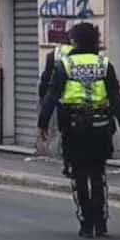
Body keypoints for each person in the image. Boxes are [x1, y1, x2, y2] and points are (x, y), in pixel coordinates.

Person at [37, 22, 120, 238]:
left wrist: (42, 124)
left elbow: (51, 96)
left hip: (74, 127)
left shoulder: (65, 65)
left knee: (79, 174)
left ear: (75, 41)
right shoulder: (104, 64)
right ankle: (100, 221)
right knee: (98, 174)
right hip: (100, 126)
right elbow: (116, 99)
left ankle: (86, 223)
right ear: (96, 41)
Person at [39, 41, 75, 178]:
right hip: (91, 105)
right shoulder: (83, 54)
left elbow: (46, 79)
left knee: (66, 133)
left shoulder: (53, 55)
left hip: (64, 103)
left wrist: (43, 99)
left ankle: (67, 164)